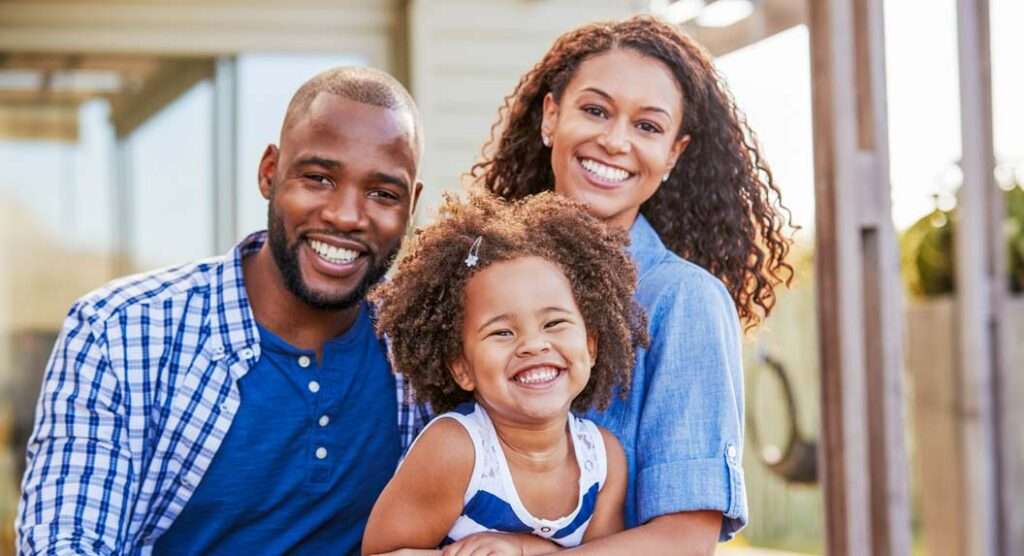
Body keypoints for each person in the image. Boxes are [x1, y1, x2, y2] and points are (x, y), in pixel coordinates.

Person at [17, 66, 426, 555]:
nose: (345, 215)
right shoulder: (119, 334)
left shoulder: (425, 349)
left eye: (383, 194)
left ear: (412, 204)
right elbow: (65, 544)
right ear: (269, 172)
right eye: (318, 178)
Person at [471, 15, 794, 553]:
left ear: (673, 153)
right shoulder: (479, 275)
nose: (615, 141)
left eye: (647, 126)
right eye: (595, 110)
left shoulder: (682, 301)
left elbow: (685, 538)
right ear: (551, 117)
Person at [362, 192, 648, 556]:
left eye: (554, 323)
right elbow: (380, 552)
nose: (533, 345)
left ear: (590, 346)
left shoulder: (603, 458)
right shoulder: (457, 450)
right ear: (462, 368)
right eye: (502, 332)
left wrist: (526, 549)